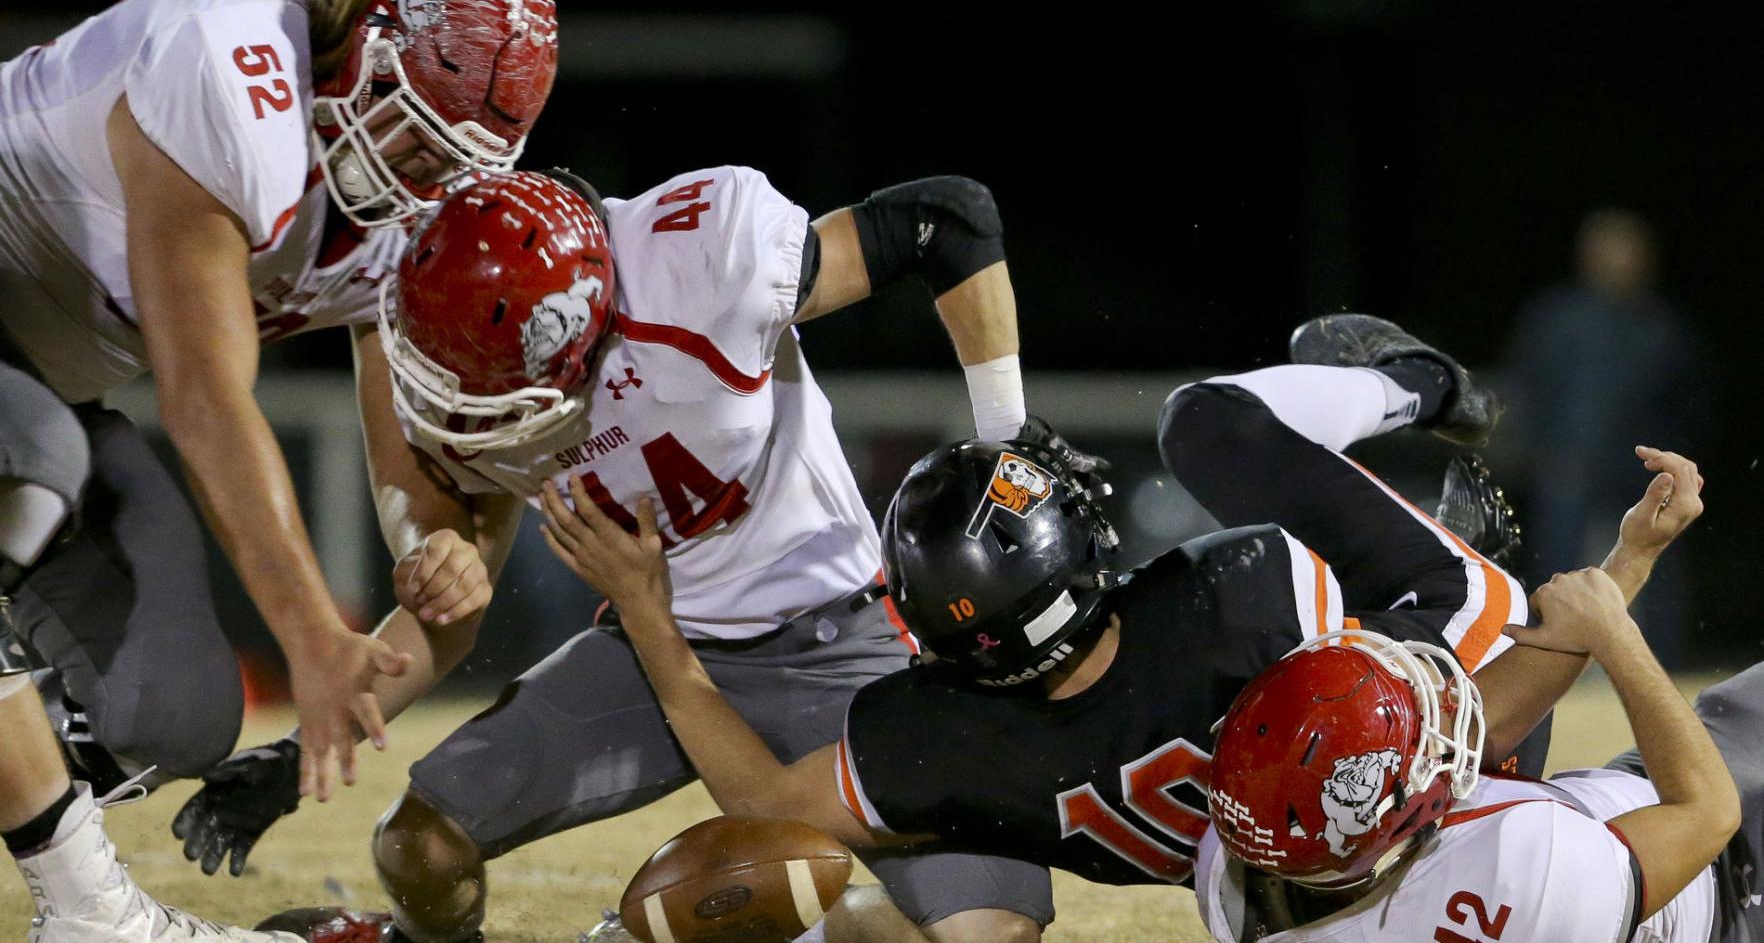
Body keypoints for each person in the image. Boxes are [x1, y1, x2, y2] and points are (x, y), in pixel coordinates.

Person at [534, 316, 1694, 934]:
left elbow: (764, 807)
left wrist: (651, 618)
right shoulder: (1239, 590)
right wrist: (1618, 574)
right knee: (1209, 425)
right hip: (1443, 772)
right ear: (1083, 563)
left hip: (1286, 869)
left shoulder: (939, 733)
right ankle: (1411, 391)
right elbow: (1472, 705)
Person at [218, 166, 1058, 943]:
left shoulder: (698, 262)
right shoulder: (468, 356)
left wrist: (1009, 440)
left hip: (847, 644)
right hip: (651, 658)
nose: (468, 406)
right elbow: (451, 615)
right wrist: (303, 748)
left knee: (985, 934)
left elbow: (946, 220)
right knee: (418, 849)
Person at [0, 0, 556, 938]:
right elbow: (204, 397)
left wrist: (434, 543)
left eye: (454, 162)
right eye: (416, 140)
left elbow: (406, 458)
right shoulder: (230, 56)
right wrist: (308, 633)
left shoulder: (414, 209)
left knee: (170, 718)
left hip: (42, 384)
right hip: (29, 402)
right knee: (32, 462)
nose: (424, 182)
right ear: (365, 52)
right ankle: (87, 909)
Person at [1195, 462, 1746, 942]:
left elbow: (1480, 731)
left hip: (1639, 811)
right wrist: (1618, 638)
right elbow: (1708, 813)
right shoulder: (1514, 878)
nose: (1436, 709)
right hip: (1731, 882)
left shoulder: (1241, 873)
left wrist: (1630, 560)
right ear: (1380, 821)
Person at [1508, 207, 1708, 667]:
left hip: (1639, 473)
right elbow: (1527, 388)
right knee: (1557, 572)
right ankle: (1544, 671)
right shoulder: (1554, 317)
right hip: (1566, 471)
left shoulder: (1664, 327)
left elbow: (1689, 405)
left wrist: (1674, 461)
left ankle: (1657, 672)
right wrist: (1540, 453)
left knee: (1653, 575)